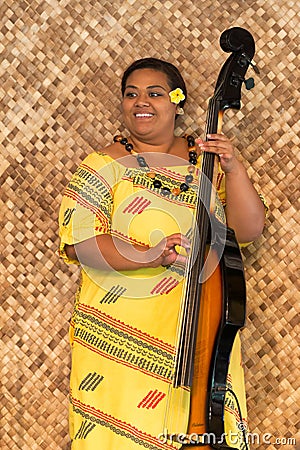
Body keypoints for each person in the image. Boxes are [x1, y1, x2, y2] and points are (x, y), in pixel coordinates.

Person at [58, 57, 266, 450]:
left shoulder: (206, 164)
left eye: (155, 93)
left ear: (178, 102)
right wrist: (146, 255)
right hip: (119, 342)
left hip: (201, 336)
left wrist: (233, 167)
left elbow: (247, 230)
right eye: (131, 94)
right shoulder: (104, 165)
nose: (142, 102)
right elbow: (79, 242)